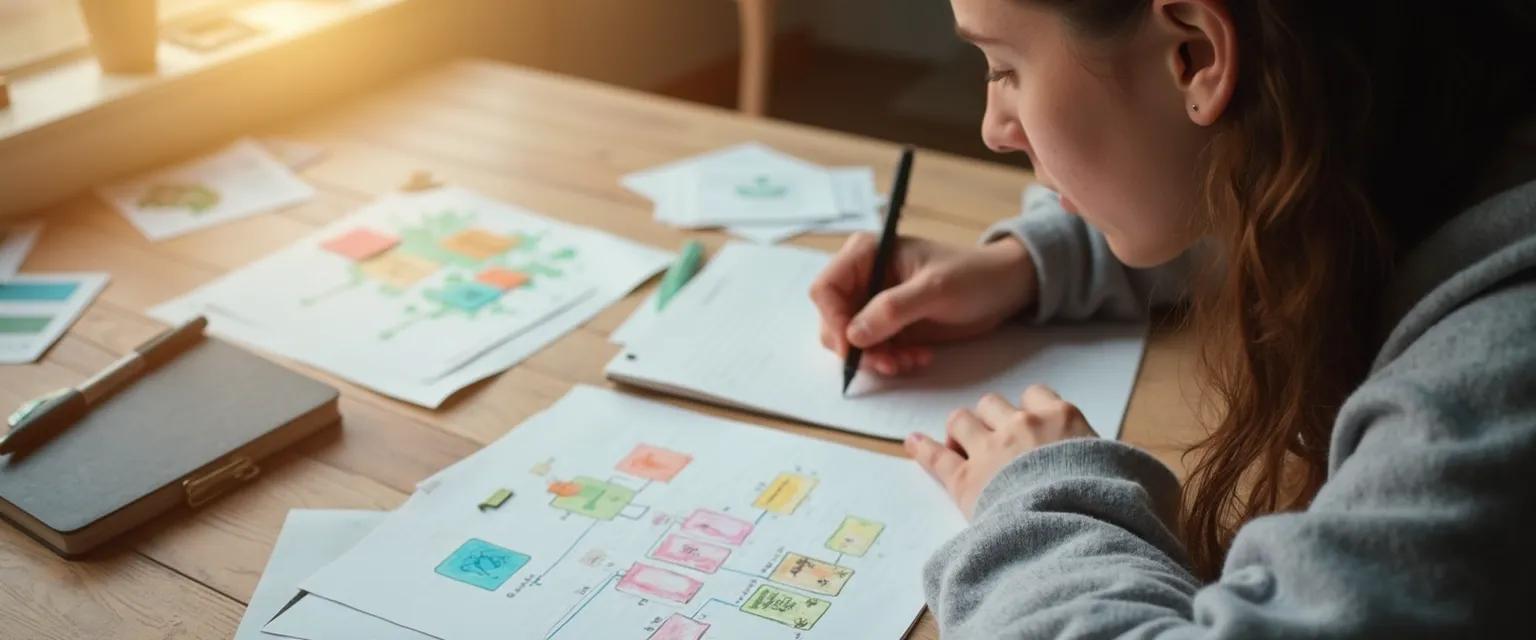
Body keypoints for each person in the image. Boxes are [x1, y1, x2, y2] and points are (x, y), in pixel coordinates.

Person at [808, 0, 1536, 636]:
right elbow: (1280, 199)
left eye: (1004, 67)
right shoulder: (1431, 128)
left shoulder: (1486, 384)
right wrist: (1031, 266)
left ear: (1195, 54)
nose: (995, 128)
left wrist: (1050, 503)